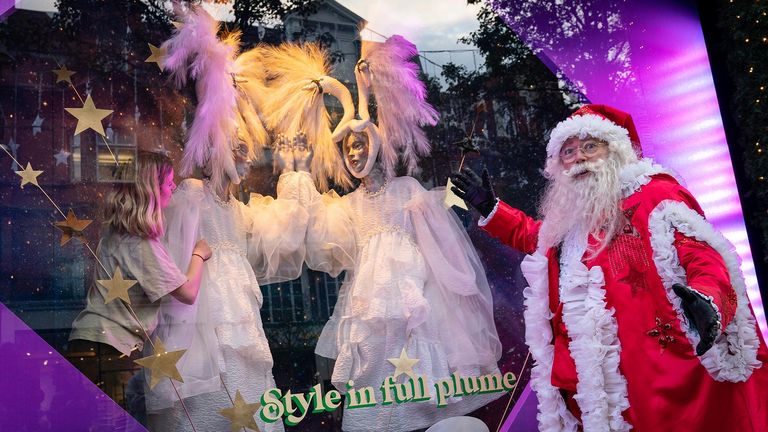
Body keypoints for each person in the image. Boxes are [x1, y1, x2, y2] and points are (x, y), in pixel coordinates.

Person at [451, 104, 768, 431]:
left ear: (615, 150)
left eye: (590, 146)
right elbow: (536, 237)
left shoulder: (654, 194)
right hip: (592, 377)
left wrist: (709, 302)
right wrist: (492, 208)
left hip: (656, 371)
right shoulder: (568, 219)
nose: (580, 158)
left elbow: (703, 254)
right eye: (569, 151)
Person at [272, 36, 503, 431]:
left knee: (406, 399)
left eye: (360, 144)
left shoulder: (406, 192)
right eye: (347, 149)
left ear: (377, 143)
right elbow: (323, 245)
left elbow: (439, 247)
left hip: (407, 313)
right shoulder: (347, 205)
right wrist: (298, 170)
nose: (354, 154)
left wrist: (439, 302)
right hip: (364, 316)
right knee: (367, 397)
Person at [144, 7, 305, 432]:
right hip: (207, 328)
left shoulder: (238, 210)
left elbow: (283, 236)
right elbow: (172, 265)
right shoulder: (193, 198)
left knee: (247, 390)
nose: (244, 151)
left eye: (245, 143)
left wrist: (294, 172)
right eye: (233, 142)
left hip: (241, 324)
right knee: (216, 402)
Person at [69, 150, 210, 361]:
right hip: (108, 346)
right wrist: (199, 254)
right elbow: (188, 293)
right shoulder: (141, 245)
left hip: (90, 338)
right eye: (168, 183)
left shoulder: (115, 233)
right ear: (151, 189)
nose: (172, 189)